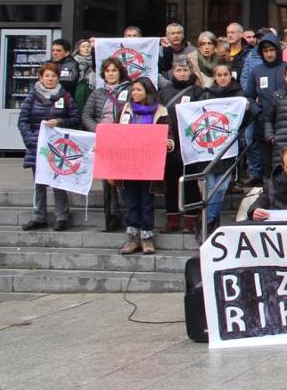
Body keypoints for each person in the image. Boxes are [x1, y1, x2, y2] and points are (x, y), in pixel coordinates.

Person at [18, 62, 81, 232]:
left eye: (53, 76)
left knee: (58, 182)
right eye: (47, 76)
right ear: (41, 78)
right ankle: (39, 217)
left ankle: (62, 217)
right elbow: (22, 121)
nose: (50, 79)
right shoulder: (31, 98)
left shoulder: (65, 97)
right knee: (39, 183)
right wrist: (31, 140)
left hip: (59, 147)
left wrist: (60, 121)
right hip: (37, 146)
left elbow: (76, 119)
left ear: (58, 78)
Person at [117, 78, 172, 254]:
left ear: (147, 92)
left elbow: (168, 133)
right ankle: (133, 238)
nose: (135, 93)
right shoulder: (125, 110)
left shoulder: (161, 112)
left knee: (146, 201)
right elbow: (116, 132)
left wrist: (169, 143)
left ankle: (147, 238)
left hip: (149, 164)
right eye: (133, 90)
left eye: (138, 90)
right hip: (129, 163)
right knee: (131, 201)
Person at [199, 61, 248, 233]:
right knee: (212, 188)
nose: (222, 78)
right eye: (219, 75)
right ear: (214, 77)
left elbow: (248, 116)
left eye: (225, 74)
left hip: (230, 147)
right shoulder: (206, 95)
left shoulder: (240, 94)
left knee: (221, 188)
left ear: (231, 75)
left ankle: (207, 220)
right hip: (209, 147)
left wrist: (248, 108)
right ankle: (211, 223)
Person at [83, 58, 131, 231]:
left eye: (114, 70)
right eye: (108, 71)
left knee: (124, 181)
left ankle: (130, 217)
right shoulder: (97, 93)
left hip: (124, 141)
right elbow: (86, 115)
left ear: (120, 73)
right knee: (107, 181)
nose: (111, 73)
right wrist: (98, 130)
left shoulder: (131, 90)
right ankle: (111, 217)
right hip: (104, 141)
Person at [160, 57, 205, 234]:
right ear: (172, 71)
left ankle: (191, 220)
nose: (182, 73)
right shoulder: (164, 91)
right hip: (170, 143)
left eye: (185, 70)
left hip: (190, 143)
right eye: (178, 70)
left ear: (190, 72)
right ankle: (172, 219)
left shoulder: (197, 91)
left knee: (190, 182)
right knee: (170, 183)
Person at [244, 32, 286, 185]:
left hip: (285, 123)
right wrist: (257, 111)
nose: (269, 54)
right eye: (265, 51)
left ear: (277, 50)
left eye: (271, 50)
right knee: (267, 164)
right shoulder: (257, 71)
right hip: (263, 124)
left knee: (284, 163)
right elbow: (248, 96)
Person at [72, 38, 95, 111]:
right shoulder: (72, 62)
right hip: (77, 92)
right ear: (79, 49)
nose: (86, 49)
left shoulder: (96, 61)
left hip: (92, 92)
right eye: (83, 46)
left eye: (88, 46)